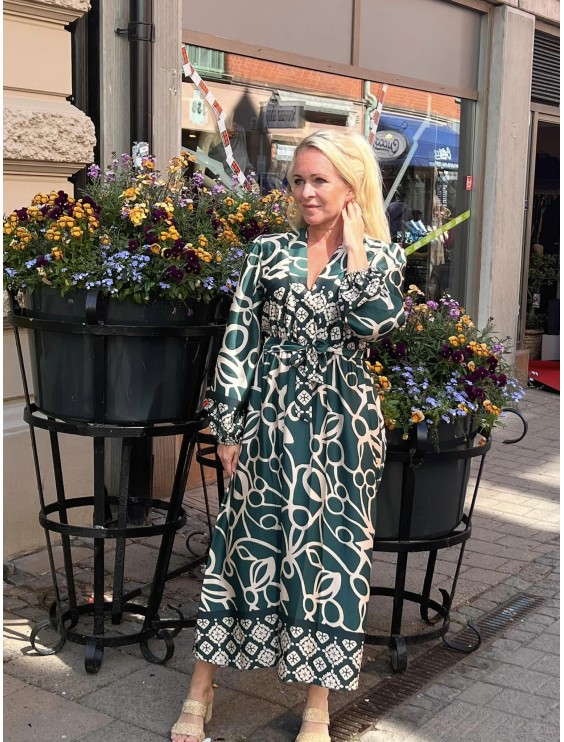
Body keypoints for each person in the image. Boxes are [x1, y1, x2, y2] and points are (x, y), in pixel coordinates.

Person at [171, 129, 406, 742]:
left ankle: (316, 708)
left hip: (343, 425)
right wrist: (227, 425)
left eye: (319, 180)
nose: (305, 192)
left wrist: (356, 250)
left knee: (332, 555)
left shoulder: (381, 258)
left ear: (352, 186)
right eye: (298, 180)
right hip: (268, 418)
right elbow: (239, 340)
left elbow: (375, 326)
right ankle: (202, 687)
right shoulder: (266, 253)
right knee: (241, 543)